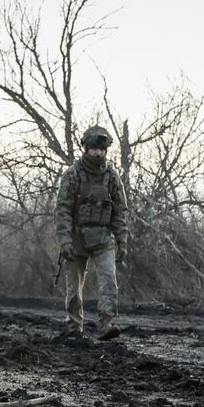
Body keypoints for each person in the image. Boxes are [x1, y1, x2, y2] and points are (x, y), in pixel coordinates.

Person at [55, 125, 129, 341]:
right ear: (86, 149)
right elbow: (63, 210)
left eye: (101, 149)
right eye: (94, 148)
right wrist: (65, 240)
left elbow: (120, 211)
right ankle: (74, 325)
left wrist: (122, 240)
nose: (98, 153)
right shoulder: (72, 175)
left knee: (108, 279)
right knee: (74, 287)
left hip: (103, 237)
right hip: (76, 238)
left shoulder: (112, 177)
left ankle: (105, 322)